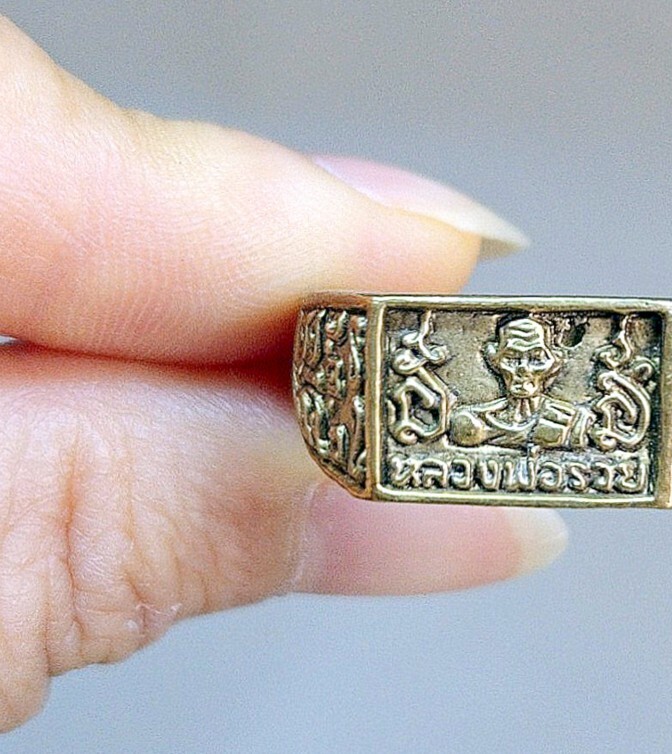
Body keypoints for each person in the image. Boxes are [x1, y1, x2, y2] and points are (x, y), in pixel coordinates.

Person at [0, 17, 566, 731]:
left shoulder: (562, 420)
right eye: (513, 356)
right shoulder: (463, 415)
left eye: (539, 358)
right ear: (492, 361)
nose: (527, 370)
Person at [449, 317, 594, 449]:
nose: (523, 369)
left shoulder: (572, 420)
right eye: (511, 358)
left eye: (536, 359)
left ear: (555, 362)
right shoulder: (472, 419)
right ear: (494, 361)